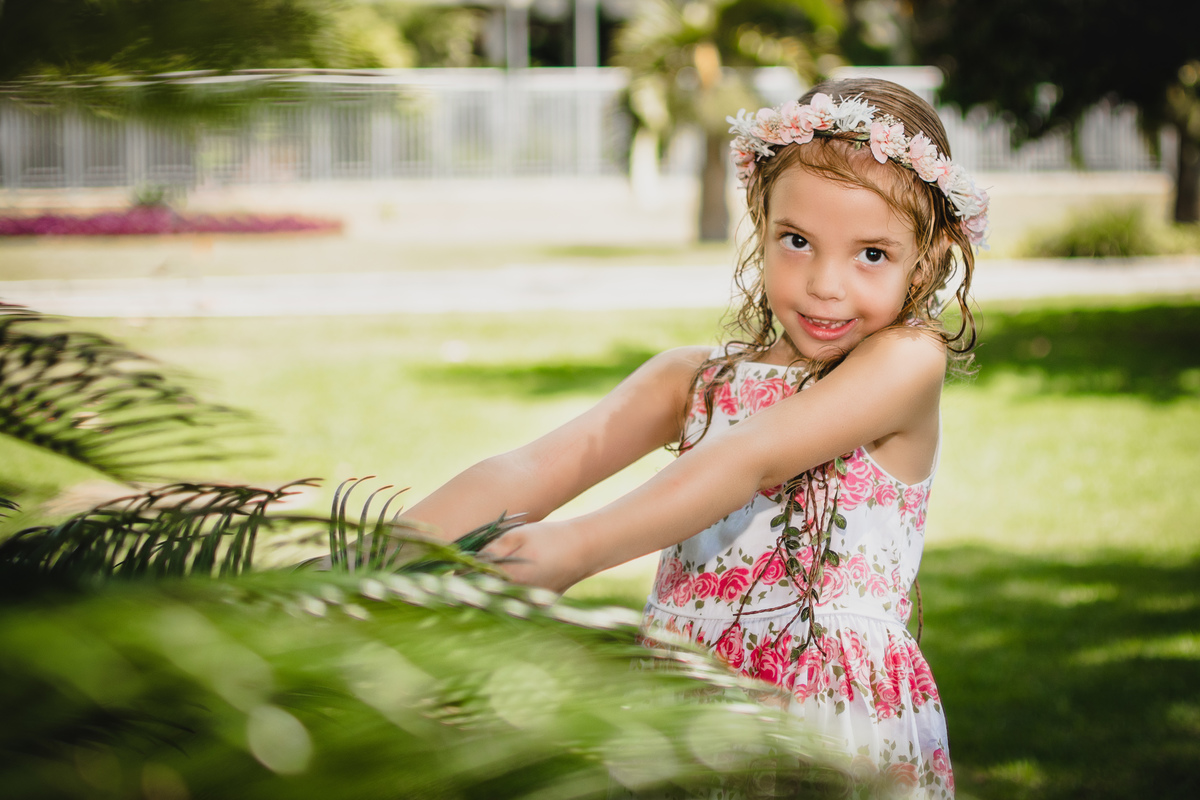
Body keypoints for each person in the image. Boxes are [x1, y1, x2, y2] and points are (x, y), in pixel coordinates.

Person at [402, 77, 986, 798]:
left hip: (827, 714)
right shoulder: (692, 382)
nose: (826, 284)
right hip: (687, 699)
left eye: (871, 254)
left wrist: (576, 547)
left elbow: (753, 456)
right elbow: (531, 468)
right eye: (797, 242)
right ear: (761, 223)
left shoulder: (905, 362)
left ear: (925, 261)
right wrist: (377, 558)